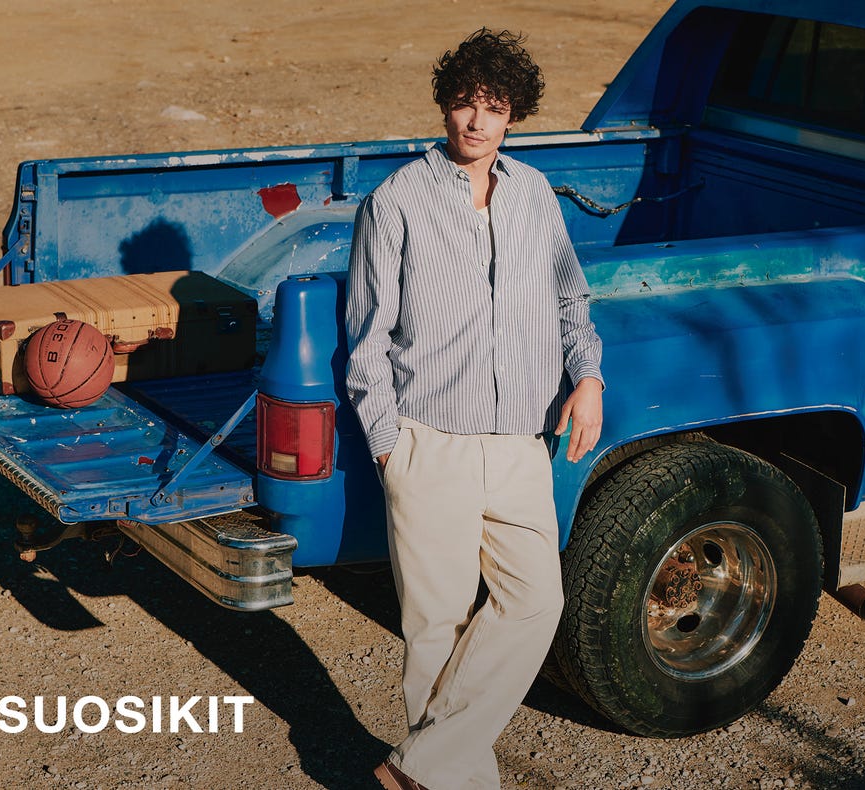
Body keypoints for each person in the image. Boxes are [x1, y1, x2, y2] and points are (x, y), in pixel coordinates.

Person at [345, 28, 604, 790]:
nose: (477, 121)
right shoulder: (396, 201)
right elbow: (366, 337)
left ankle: (416, 770)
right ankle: (449, 781)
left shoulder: (534, 195)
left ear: (514, 113)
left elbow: (570, 298)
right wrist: (390, 446)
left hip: (521, 443)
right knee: (438, 627)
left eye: (493, 106)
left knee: (536, 602)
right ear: (444, 106)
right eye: (465, 103)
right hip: (431, 444)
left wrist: (588, 377)